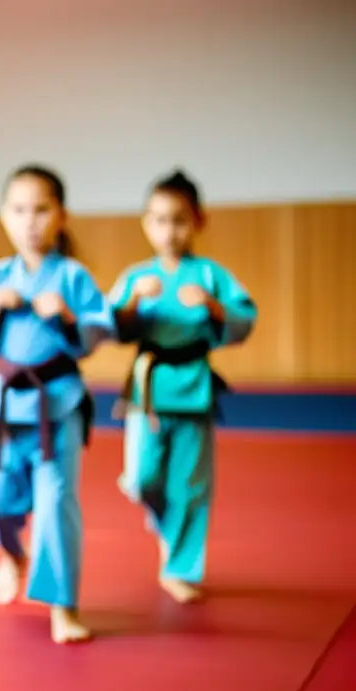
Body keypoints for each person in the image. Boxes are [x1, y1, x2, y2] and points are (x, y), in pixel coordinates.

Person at [0, 165, 115, 644]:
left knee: (56, 505)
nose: (30, 220)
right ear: (5, 216)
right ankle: (11, 554)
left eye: (42, 209)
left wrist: (66, 316)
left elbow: (97, 331)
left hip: (58, 405)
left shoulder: (71, 277)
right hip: (6, 407)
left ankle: (62, 605)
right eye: (19, 209)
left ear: (61, 216)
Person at [108, 170, 257, 604]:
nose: (169, 231)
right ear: (145, 223)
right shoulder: (137, 277)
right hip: (149, 389)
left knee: (189, 487)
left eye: (179, 220)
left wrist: (211, 305)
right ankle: (168, 527)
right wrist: (134, 303)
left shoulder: (210, 276)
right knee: (141, 479)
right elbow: (110, 327)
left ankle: (178, 568)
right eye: (159, 220)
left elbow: (243, 321)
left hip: (193, 389)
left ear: (198, 221)